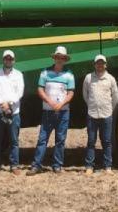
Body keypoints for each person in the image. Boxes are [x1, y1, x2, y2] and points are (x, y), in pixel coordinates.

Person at [28, 46, 75, 175]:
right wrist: (50, 102)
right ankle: (36, 165)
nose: (60, 59)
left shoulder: (69, 74)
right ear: (54, 58)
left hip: (63, 112)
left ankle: (57, 165)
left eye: (62, 58)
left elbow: (71, 93)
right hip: (48, 111)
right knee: (43, 138)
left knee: (60, 139)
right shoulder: (45, 72)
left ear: (65, 59)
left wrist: (61, 104)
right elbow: (40, 90)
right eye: (58, 57)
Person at [82, 54, 118, 174]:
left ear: (105, 65)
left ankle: (108, 166)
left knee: (107, 141)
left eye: (102, 63)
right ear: (94, 65)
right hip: (92, 114)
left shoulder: (110, 79)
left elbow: (115, 97)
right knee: (91, 141)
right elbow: (85, 94)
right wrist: (92, 105)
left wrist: (110, 109)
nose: (100, 65)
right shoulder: (88, 78)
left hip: (106, 114)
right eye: (97, 63)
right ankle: (89, 166)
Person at [0, 49, 25, 174]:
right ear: (3, 60)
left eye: (10, 59)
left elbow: (20, 92)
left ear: (14, 61)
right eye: (6, 58)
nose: (8, 60)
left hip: (14, 112)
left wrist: (9, 104)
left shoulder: (19, 75)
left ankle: (14, 166)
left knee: (14, 140)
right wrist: (2, 104)